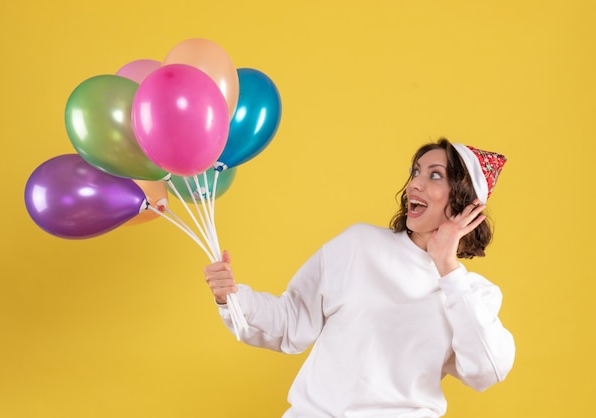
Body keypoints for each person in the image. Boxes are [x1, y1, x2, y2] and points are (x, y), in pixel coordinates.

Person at [203, 138, 515, 418]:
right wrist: (231, 296)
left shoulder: (472, 292)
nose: (414, 185)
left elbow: (487, 370)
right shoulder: (359, 245)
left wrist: (447, 264)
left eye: (434, 175)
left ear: (465, 202)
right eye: (415, 171)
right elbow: (292, 321)